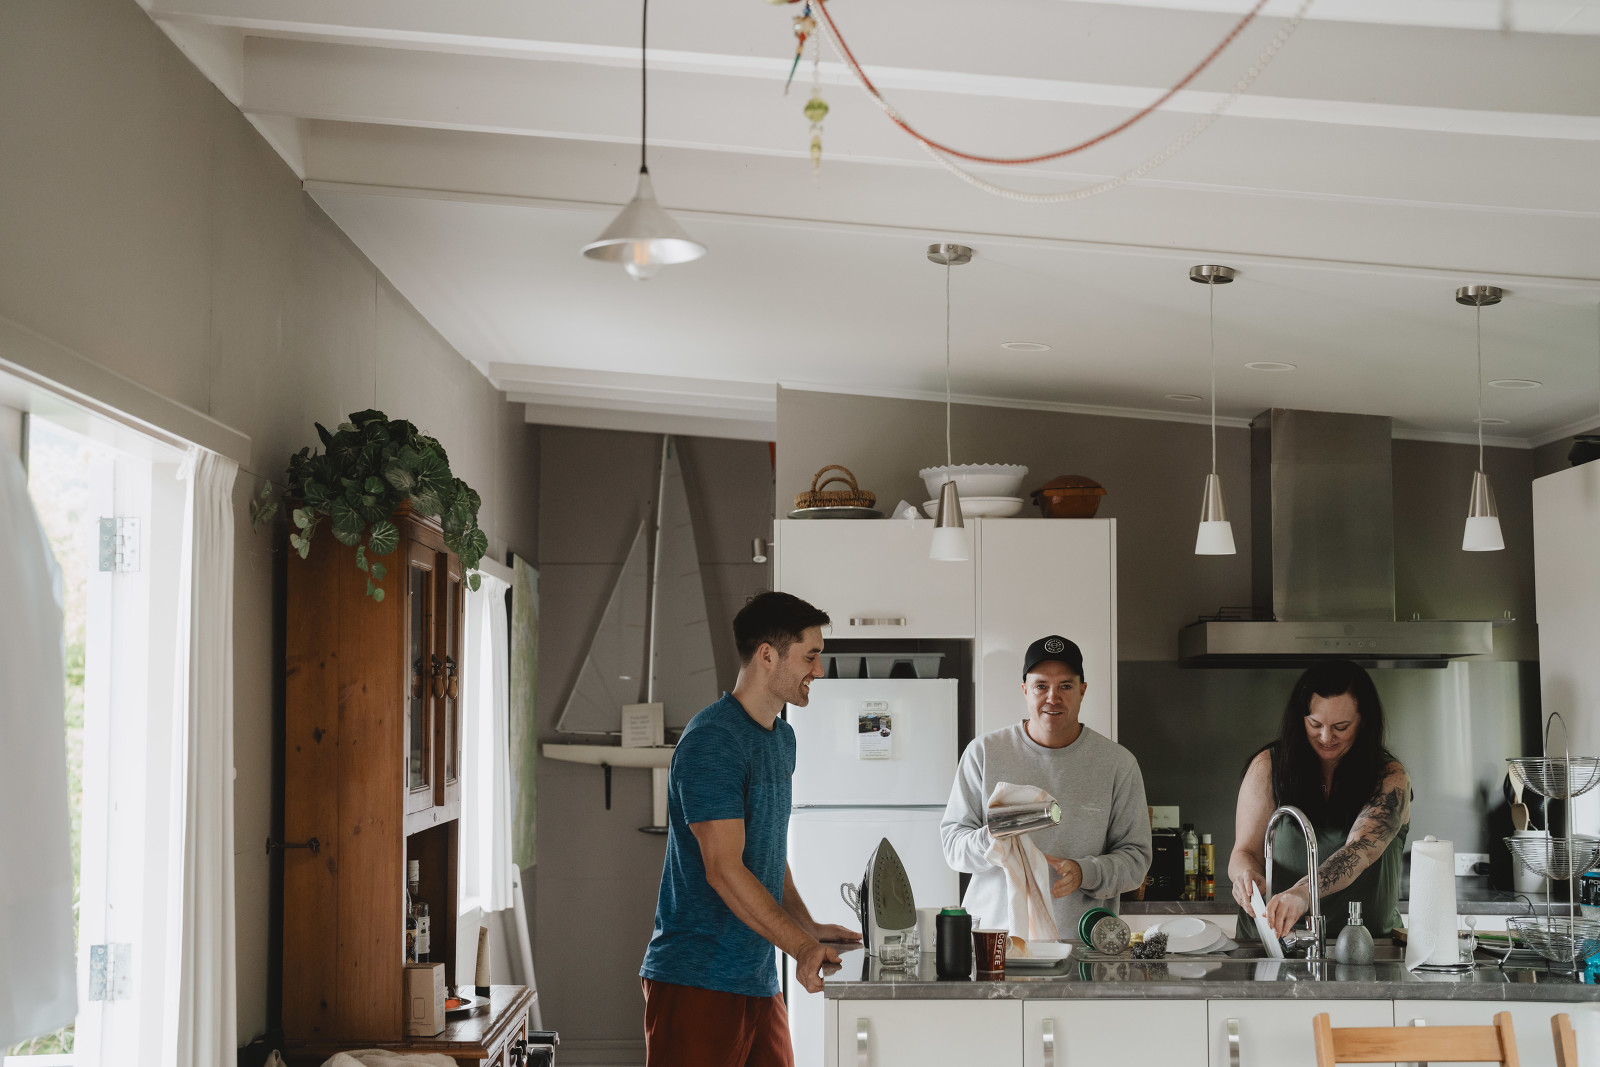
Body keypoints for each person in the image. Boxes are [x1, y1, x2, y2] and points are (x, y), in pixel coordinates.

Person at [640, 591, 861, 1067]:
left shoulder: (782, 739)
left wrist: (807, 927)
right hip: (696, 980)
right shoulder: (713, 741)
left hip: (757, 979)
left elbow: (766, 852)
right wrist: (801, 947)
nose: (819, 670)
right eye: (810, 656)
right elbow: (724, 869)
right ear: (767, 655)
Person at [941, 635, 1152, 937]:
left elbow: (1136, 860)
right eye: (1041, 686)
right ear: (1025, 690)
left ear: (1082, 690)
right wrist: (993, 837)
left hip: (1080, 942)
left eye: (1065, 686)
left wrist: (1085, 872)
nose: (1053, 697)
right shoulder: (984, 752)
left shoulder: (1118, 763)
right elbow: (953, 847)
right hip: (994, 942)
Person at [1228, 659, 1411, 945]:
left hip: (1364, 949)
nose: (1326, 737)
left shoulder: (1390, 778)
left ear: (1364, 721)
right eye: (1315, 724)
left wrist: (1303, 893)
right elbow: (1244, 851)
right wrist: (1245, 876)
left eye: (1341, 726)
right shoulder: (1268, 766)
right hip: (1271, 945)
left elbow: (1358, 852)